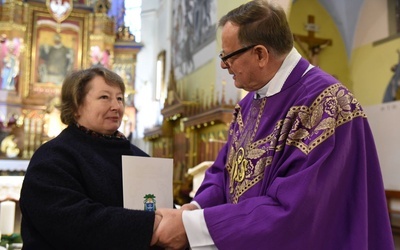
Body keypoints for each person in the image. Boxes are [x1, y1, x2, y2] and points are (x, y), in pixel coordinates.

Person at [151, 1, 395, 249]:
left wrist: (192, 227)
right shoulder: (249, 104)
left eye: (229, 56)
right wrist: (193, 209)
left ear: (260, 54)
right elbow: (223, 173)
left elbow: (297, 214)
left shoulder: (327, 106)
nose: (224, 65)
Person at [20, 67, 162, 249]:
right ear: (75, 106)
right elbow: (73, 224)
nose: (116, 106)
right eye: (105, 97)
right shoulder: (52, 158)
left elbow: (158, 204)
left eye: (120, 98)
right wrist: (151, 225)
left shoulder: (139, 157)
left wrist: (179, 216)